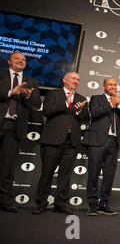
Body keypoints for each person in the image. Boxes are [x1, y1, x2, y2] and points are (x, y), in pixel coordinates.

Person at [33, 72, 90, 215]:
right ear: (64, 80)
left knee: (65, 175)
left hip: (72, 142)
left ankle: (61, 203)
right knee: (47, 173)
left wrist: (79, 111)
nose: (75, 81)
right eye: (73, 78)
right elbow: (47, 111)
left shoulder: (81, 99)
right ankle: (41, 202)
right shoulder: (54, 94)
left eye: (78, 79)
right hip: (52, 140)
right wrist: (66, 103)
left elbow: (87, 119)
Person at [82, 77, 120, 216]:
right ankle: (92, 204)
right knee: (94, 173)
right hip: (97, 141)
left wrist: (119, 105)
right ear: (104, 87)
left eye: (115, 84)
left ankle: (104, 204)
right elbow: (95, 113)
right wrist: (111, 103)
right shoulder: (96, 99)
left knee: (109, 175)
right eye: (110, 84)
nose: (113, 86)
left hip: (113, 142)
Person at [0, 52, 41, 212]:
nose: (21, 61)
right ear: (9, 61)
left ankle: (4, 200)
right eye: (17, 59)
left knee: (7, 167)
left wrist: (27, 96)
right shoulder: (1, 75)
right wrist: (11, 93)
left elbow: (36, 104)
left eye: (23, 60)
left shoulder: (31, 82)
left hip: (14, 128)